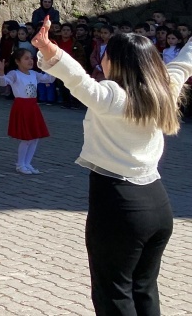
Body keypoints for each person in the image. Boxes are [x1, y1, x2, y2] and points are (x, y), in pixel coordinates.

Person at [33, 16, 190, 316]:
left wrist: (50, 49)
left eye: (105, 54)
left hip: (118, 204)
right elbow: (185, 63)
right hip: (158, 204)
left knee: (114, 294)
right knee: (144, 289)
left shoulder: (113, 96)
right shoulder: (163, 89)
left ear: (115, 62)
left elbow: (78, 80)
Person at [0, 49, 54, 174]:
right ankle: (20, 164)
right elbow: (3, 82)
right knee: (27, 138)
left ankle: (28, 163)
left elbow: (49, 79)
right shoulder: (14, 74)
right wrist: (1, 70)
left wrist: (53, 67)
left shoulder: (34, 74)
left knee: (35, 137)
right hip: (22, 107)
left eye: (31, 58)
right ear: (17, 61)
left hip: (33, 107)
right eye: (26, 58)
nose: (30, 60)